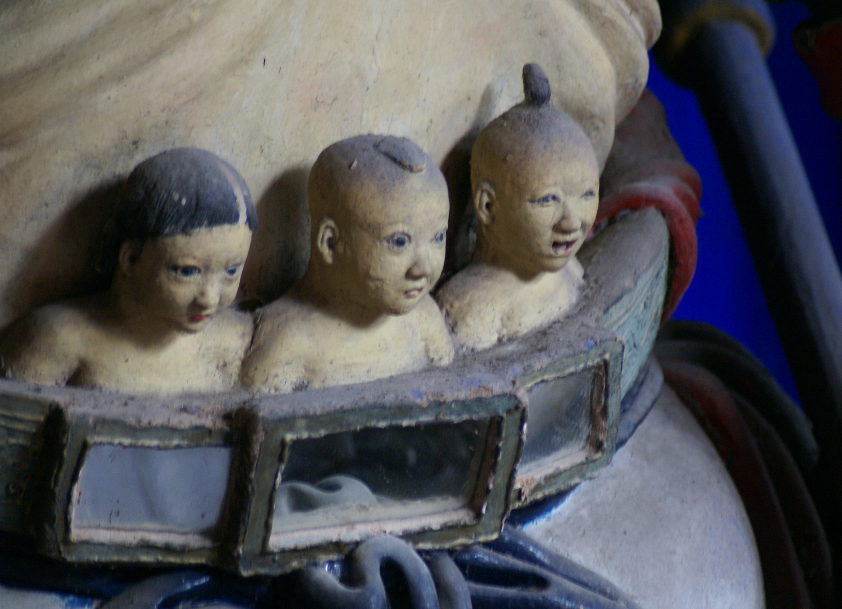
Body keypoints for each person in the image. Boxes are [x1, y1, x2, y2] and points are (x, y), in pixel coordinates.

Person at [0, 148, 256, 394]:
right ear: (131, 259)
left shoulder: (235, 344)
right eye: (187, 272)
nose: (209, 298)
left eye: (231, 271)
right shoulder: (58, 340)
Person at [240, 135, 454, 393]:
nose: (423, 269)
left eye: (437, 237)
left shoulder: (424, 323)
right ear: (331, 243)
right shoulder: (290, 345)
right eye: (399, 242)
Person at [435, 64, 600, 351]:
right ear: (488, 205)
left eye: (587, 195)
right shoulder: (472, 310)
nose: (572, 223)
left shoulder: (570, 272)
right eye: (547, 200)